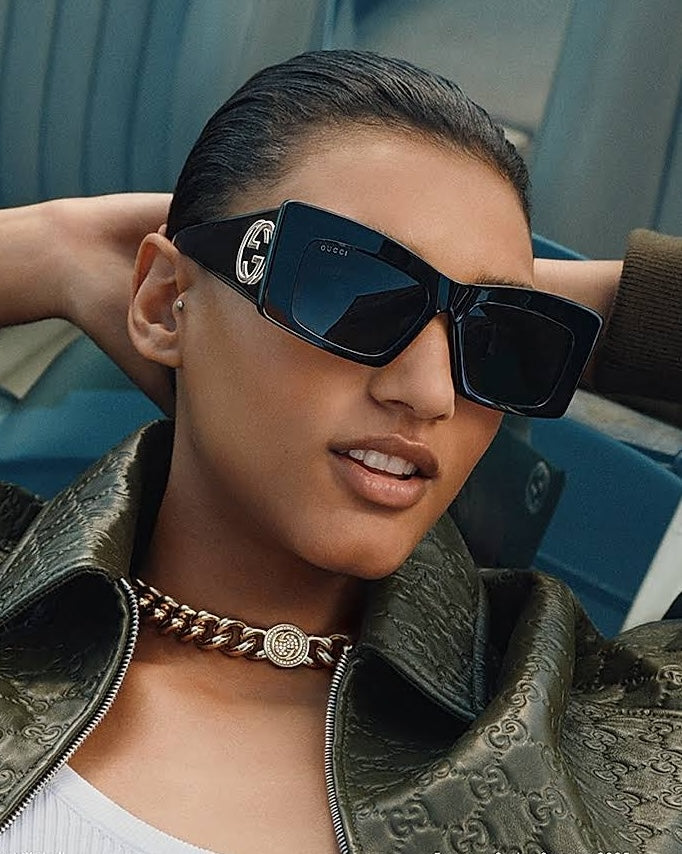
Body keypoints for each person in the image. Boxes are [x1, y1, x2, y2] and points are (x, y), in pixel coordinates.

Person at [0, 50, 680, 854]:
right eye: (352, 292)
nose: (429, 392)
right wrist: (56, 250)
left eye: (496, 341)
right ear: (162, 301)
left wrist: (529, 308)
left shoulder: (598, 724)